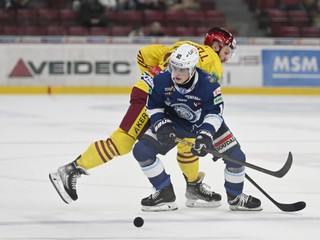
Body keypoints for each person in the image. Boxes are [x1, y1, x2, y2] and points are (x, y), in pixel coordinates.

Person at [49, 27, 235, 208]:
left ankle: (193, 186)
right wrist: (209, 136)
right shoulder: (213, 62)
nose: (226, 58)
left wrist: (150, 78)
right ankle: (71, 169)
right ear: (216, 45)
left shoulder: (183, 46)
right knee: (122, 142)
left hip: (152, 92)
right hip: (153, 97)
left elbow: (144, 54)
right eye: (226, 52)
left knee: (187, 139)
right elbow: (205, 99)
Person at [132, 43, 262, 212]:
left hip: (204, 124)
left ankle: (236, 197)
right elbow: (153, 106)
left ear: (193, 68)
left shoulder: (209, 84)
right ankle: (165, 193)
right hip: (175, 123)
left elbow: (215, 113)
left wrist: (206, 135)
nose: (176, 73)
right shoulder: (161, 79)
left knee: (236, 156)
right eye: (174, 67)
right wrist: (161, 124)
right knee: (141, 151)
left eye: (182, 69)